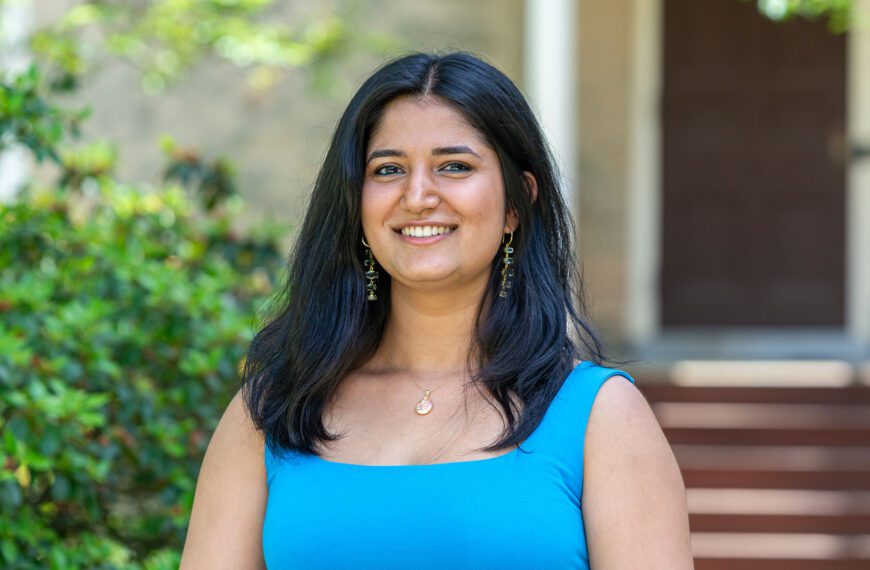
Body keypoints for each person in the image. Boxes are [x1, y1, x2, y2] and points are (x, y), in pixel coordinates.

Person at [180, 52, 693, 569]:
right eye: (388, 169)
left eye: (454, 166)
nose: (418, 195)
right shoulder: (274, 409)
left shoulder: (599, 418)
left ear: (517, 202)